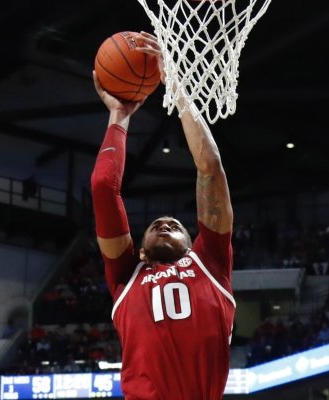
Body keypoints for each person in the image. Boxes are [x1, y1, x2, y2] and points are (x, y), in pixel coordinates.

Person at [90, 31, 235, 400]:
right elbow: (103, 188)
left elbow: (210, 167)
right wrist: (119, 116)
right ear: (139, 251)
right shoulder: (126, 276)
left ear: (192, 245)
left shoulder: (211, 262)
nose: (165, 222)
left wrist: (177, 88)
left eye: (174, 225)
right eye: (155, 226)